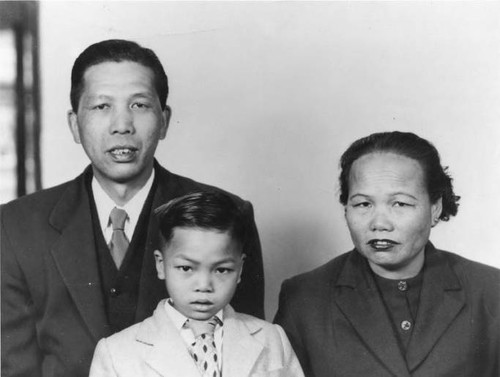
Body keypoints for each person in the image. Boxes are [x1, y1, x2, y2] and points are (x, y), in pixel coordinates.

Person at [1, 39, 264, 377]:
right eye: (101, 107)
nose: (121, 124)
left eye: (139, 105)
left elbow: (246, 353)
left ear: (165, 120)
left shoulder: (228, 215)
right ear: (74, 124)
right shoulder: (16, 226)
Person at [274, 131, 500, 377]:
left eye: (400, 203)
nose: (379, 223)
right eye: (363, 204)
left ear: (435, 208)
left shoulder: (490, 290)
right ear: (346, 208)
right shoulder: (304, 298)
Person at [89, 192, 303, 377]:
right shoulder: (116, 353)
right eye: (186, 268)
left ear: (240, 269)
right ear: (161, 265)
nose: (204, 285)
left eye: (221, 270)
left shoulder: (273, 339)